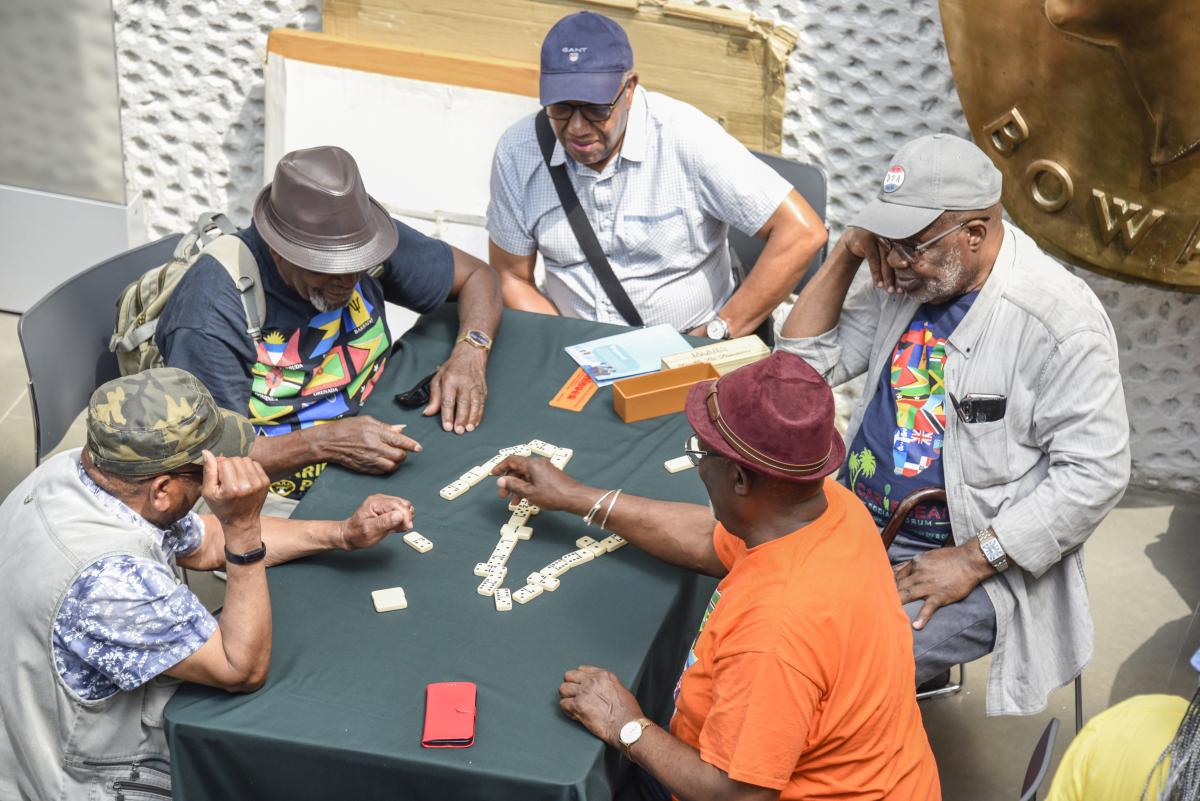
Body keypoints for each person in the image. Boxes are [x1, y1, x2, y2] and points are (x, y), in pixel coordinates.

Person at [776, 133, 1130, 716]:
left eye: (909, 246)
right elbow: (797, 371)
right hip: (859, 529)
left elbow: (1096, 475)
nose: (891, 262)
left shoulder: (1059, 322)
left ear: (975, 234)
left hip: (981, 563)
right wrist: (848, 250)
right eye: (886, 243)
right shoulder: (912, 277)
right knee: (758, 616)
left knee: (837, 667)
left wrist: (970, 560)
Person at [493, 352, 940, 800]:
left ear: (741, 479)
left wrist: (627, 726)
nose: (699, 464)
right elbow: (708, 539)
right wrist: (575, 497)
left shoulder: (775, 633)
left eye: (701, 453)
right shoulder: (831, 508)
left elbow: (736, 793)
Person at [0, 368, 415, 800]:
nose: (217, 478)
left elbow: (205, 541)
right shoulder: (110, 581)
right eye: (204, 472)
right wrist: (244, 528)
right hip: (88, 779)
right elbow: (240, 668)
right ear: (162, 489)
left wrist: (343, 533)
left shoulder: (79, 473)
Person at [158, 145, 501, 509]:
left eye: (359, 262)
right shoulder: (210, 312)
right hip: (273, 491)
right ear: (279, 250)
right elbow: (217, 461)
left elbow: (479, 276)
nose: (349, 280)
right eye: (328, 267)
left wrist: (471, 350)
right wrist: (325, 442)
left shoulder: (355, 238)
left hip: (373, 437)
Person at [486, 11, 827, 337]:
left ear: (630, 89)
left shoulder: (685, 136)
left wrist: (717, 333)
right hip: (571, 347)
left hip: (692, 343)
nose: (577, 127)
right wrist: (562, 345)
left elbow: (801, 233)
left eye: (595, 108)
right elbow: (511, 276)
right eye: (560, 107)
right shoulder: (519, 151)